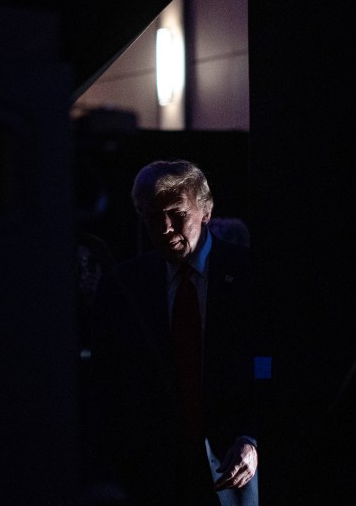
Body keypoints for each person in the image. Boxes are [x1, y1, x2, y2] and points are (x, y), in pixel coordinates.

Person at [88, 159, 260, 506]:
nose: (165, 227)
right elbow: (107, 384)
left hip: (232, 464)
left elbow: (268, 365)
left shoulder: (250, 275)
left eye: (177, 214)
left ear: (205, 211)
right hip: (150, 475)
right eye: (153, 216)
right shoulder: (123, 286)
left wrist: (253, 436)